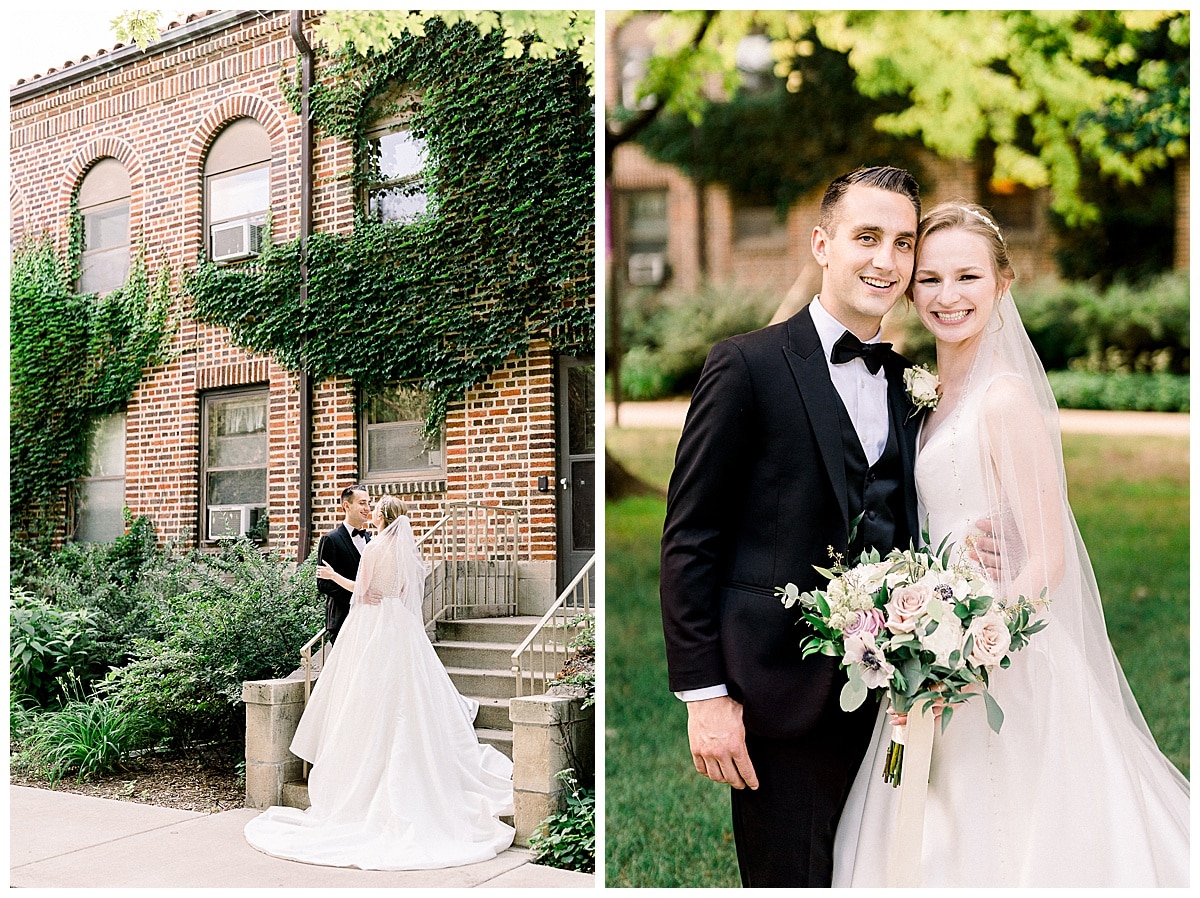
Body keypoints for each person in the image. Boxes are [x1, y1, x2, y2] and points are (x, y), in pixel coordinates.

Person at [832, 202, 1190, 887]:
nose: (948, 296)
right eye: (930, 279)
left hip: (998, 655)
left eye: (967, 276)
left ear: (1003, 282)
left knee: (1008, 830)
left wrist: (968, 648)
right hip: (929, 641)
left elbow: (1048, 558)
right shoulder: (926, 398)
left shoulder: (1004, 400)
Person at [659, 165, 925, 886]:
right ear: (821, 244)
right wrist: (706, 697)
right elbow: (691, 538)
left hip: (891, 693)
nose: (885, 260)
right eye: (866, 237)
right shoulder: (745, 366)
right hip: (775, 691)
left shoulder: (909, 384)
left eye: (902, 243)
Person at [244, 495, 515, 870]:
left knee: (365, 698)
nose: (370, 515)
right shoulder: (409, 556)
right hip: (402, 629)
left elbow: (362, 594)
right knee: (408, 696)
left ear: (383, 520)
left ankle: (361, 780)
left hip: (371, 625)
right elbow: (404, 596)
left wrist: (337, 577)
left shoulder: (371, 550)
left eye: (375, 511)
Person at [316, 485, 372, 643]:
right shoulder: (331, 539)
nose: (367, 508)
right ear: (347, 506)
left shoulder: (370, 540)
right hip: (342, 619)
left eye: (368, 503)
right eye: (362, 503)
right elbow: (323, 584)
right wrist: (357, 596)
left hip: (369, 619)